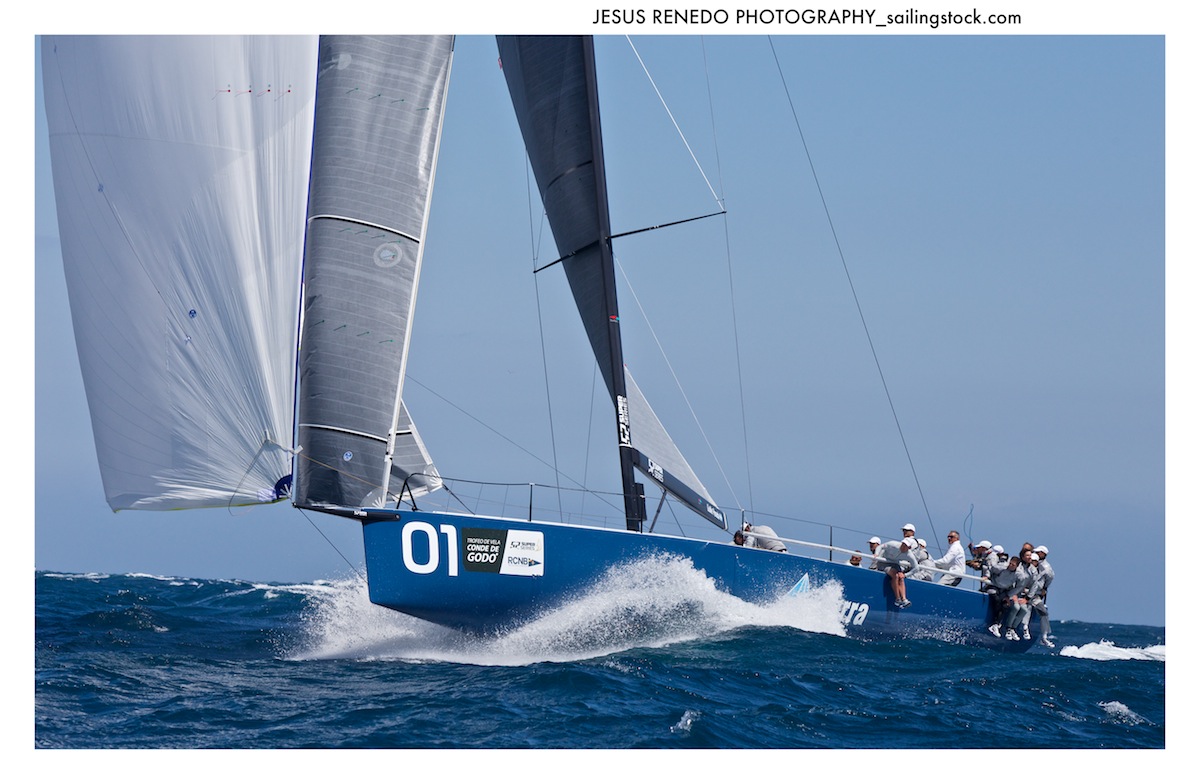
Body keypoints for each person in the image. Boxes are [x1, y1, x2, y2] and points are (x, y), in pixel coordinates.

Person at [876, 537, 919, 608]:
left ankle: (904, 599)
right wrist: (876, 554)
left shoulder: (909, 555)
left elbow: (916, 568)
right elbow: (881, 546)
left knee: (901, 577)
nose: (903, 546)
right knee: (895, 575)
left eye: (906, 546)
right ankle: (898, 599)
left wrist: (905, 575)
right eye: (903, 544)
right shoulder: (893, 544)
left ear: (909, 548)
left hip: (895, 564)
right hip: (884, 562)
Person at [1030, 545, 1055, 646]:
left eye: (1038, 552)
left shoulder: (1045, 567)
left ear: (1043, 554)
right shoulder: (1031, 563)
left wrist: (1044, 588)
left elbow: (1050, 577)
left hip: (1036, 593)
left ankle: (1044, 637)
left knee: (1043, 613)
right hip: (1025, 591)